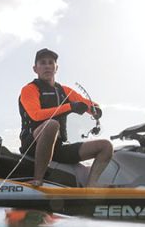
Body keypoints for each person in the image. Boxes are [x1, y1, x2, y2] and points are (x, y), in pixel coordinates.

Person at [18, 48, 113, 187]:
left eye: (51, 63)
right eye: (42, 63)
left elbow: (88, 104)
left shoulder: (64, 91)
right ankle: (38, 180)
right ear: (35, 68)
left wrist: (95, 109)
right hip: (32, 144)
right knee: (52, 125)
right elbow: (36, 116)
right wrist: (70, 107)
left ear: (56, 68)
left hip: (58, 148)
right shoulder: (29, 89)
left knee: (106, 146)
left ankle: (91, 188)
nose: (47, 66)